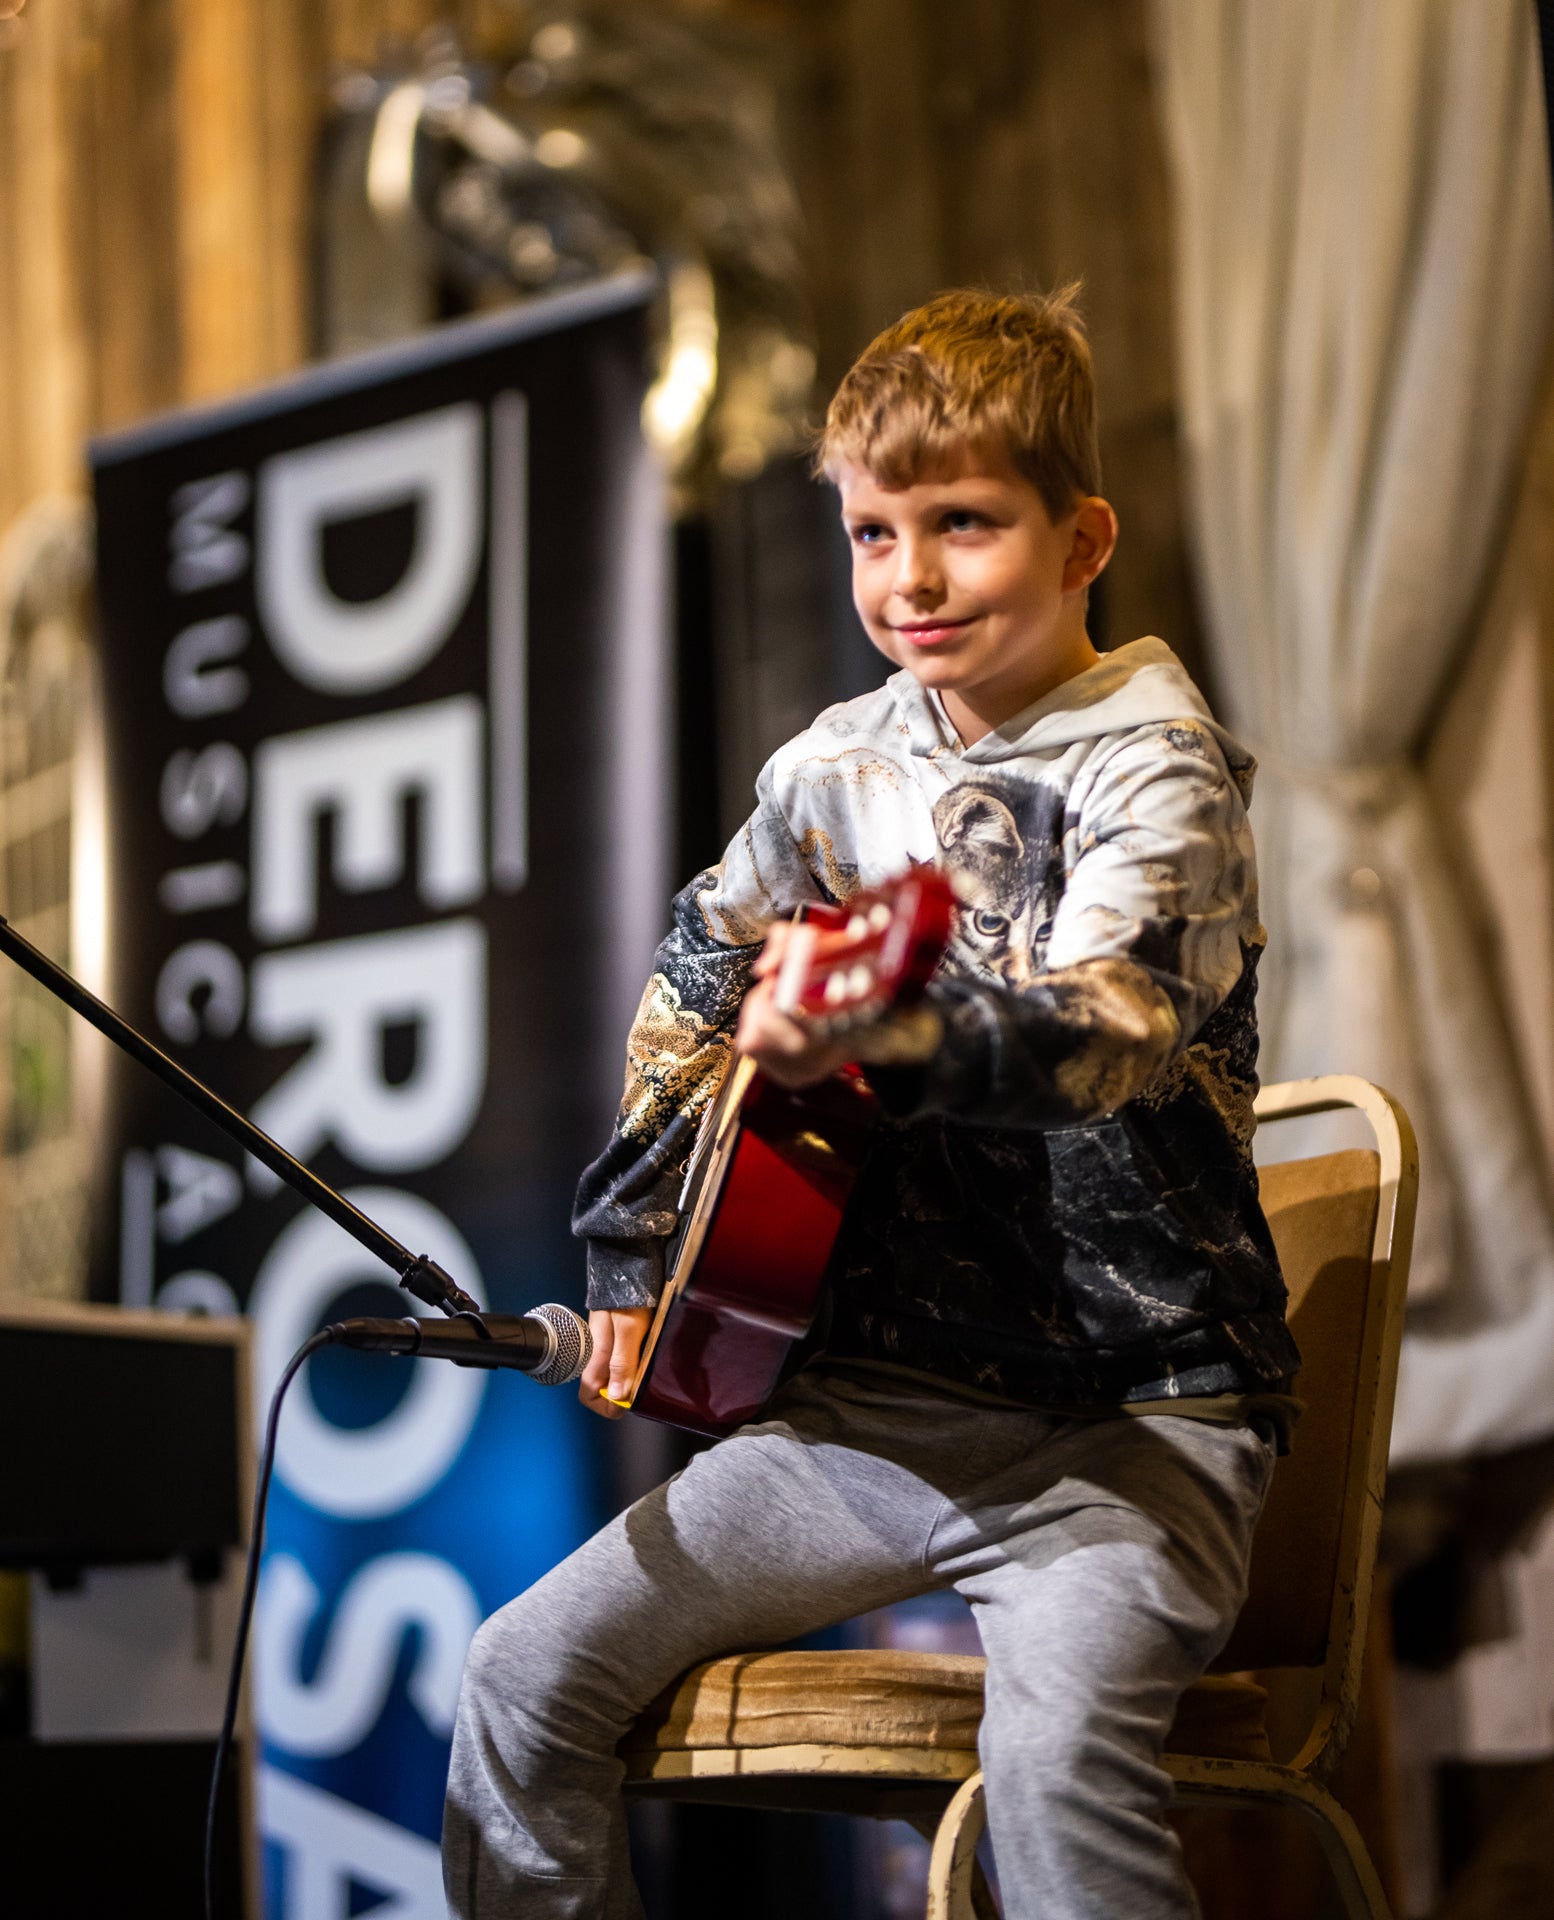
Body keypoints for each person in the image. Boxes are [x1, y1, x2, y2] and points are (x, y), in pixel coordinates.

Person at [443, 286, 1300, 1920]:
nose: (907, 579)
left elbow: (1109, 1028)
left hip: (1134, 1422)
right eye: (869, 533)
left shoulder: (1154, 766)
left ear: (1080, 537)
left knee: (1058, 1779)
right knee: (518, 1684)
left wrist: (895, 1032)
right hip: (879, 1416)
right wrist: (634, 1242)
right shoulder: (831, 770)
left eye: (962, 525)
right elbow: (698, 968)